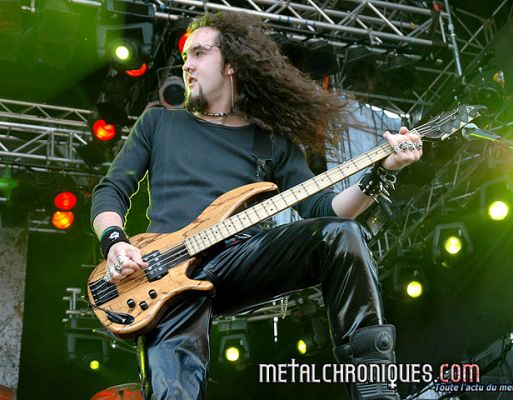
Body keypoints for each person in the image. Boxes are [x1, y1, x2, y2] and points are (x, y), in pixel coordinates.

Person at [91, 11, 422, 400]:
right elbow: (111, 189)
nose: (187, 65)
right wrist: (115, 242)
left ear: (231, 64)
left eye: (199, 53)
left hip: (240, 259)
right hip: (166, 272)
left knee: (342, 235)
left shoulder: (271, 142)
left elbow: (328, 211)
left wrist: (382, 171)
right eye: (185, 57)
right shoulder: (159, 124)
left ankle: (375, 388)